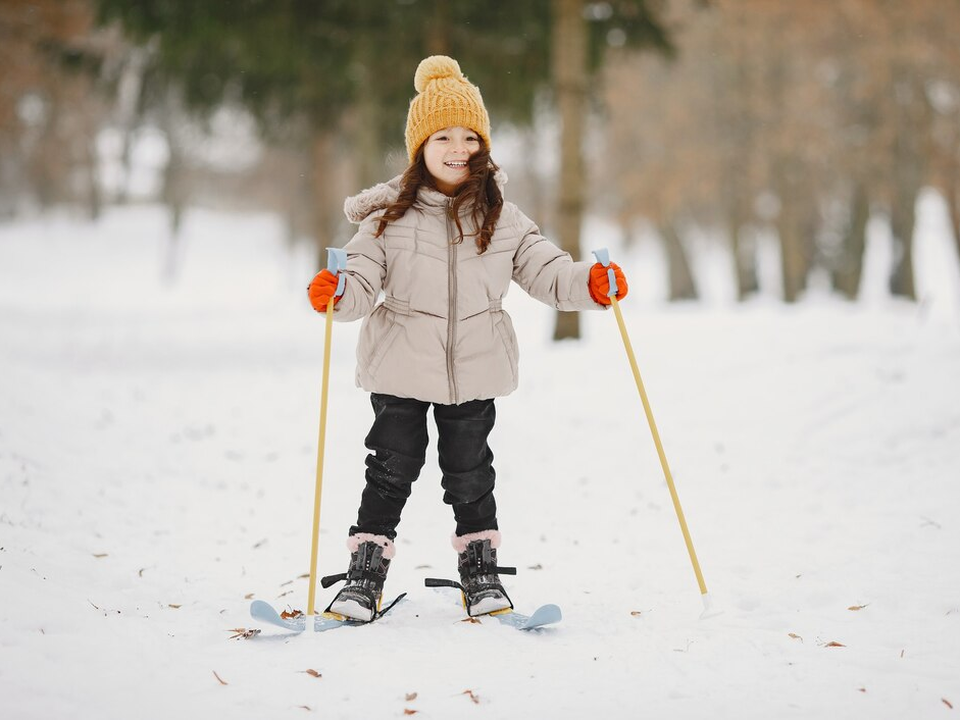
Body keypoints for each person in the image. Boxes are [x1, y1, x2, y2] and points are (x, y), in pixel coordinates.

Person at [307, 55, 628, 622]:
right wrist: (336, 291)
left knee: (470, 470)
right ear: (420, 146)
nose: (458, 148)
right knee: (391, 466)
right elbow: (358, 284)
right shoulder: (386, 220)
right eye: (443, 136)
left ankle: (479, 570)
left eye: (470, 137)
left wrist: (592, 284)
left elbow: (549, 273)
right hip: (400, 365)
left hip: (476, 365)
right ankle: (364, 575)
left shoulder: (502, 218)